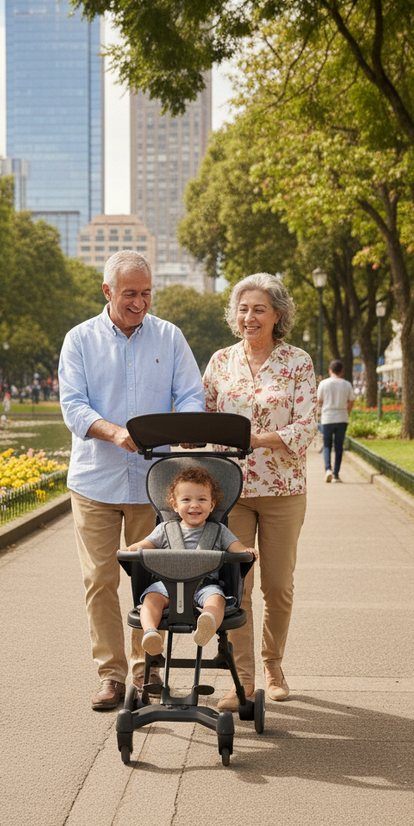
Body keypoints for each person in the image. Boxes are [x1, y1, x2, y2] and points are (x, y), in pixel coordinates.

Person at [59, 251, 205, 710]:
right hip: (95, 481)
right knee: (100, 579)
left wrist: (185, 431)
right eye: (129, 294)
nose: (139, 303)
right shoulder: (79, 340)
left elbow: (190, 394)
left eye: (145, 293)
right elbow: (74, 406)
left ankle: (151, 674)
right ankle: (111, 676)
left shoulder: (170, 336)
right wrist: (114, 431)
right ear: (107, 291)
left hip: (153, 481)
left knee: (154, 581)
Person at [203, 273, 316, 709]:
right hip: (230, 490)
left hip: (283, 489)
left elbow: (307, 426)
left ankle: (273, 664)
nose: (249, 317)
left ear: (278, 315)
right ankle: (244, 680)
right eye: (243, 309)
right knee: (236, 585)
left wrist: (256, 439)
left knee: (278, 585)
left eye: (259, 309)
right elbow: (208, 417)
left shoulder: (297, 363)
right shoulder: (219, 361)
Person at [126, 467, 258, 653]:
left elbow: (236, 548)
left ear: (212, 505)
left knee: (217, 600)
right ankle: (150, 633)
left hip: (205, 585)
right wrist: (130, 549)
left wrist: (246, 550)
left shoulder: (218, 531)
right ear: (174, 505)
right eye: (186, 500)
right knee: (151, 599)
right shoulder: (164, 530)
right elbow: (144, 545)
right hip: (167, 585)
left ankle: (208, 622)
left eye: (201, 500)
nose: (194, 505)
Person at [317, 359, 355, 483]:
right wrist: (347, 412)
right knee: (339, 447)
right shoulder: (346, 384)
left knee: (327, 445)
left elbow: (319, 401)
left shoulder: (323, 384)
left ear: (330, 370)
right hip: (342, 417)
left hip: (327, 417)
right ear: (342, 371)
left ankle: (328, 469)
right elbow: (351, 401)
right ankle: (336, 475)